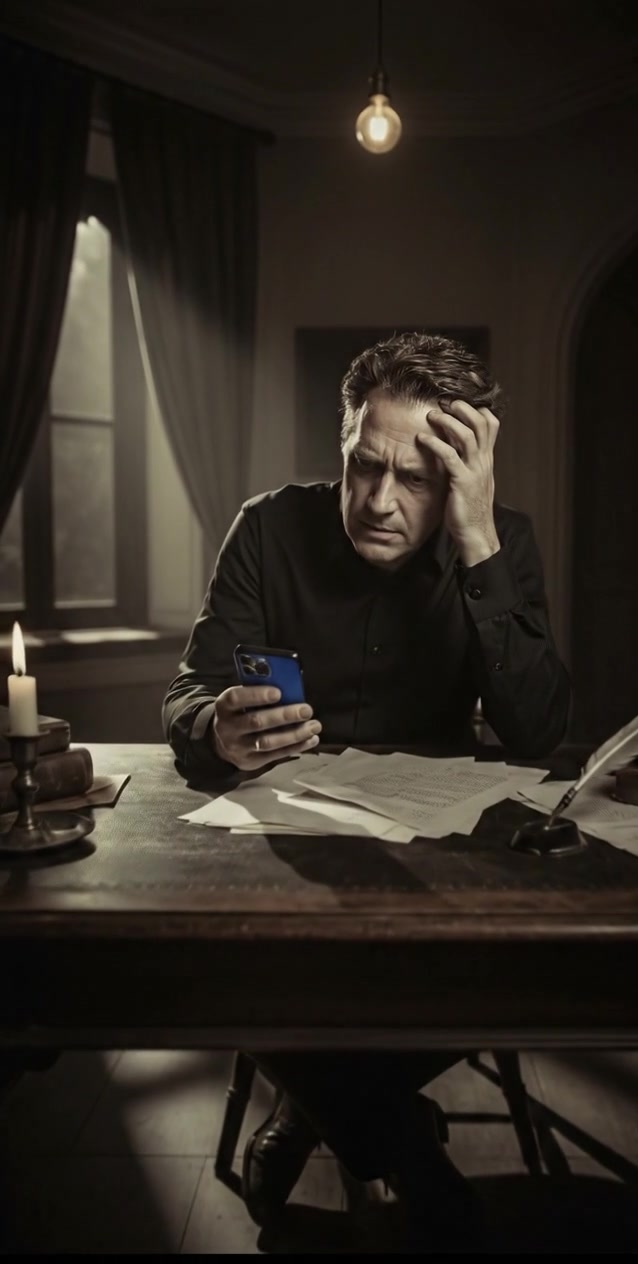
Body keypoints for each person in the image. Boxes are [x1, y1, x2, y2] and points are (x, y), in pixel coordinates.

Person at [163, 331, 571, 1248]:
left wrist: (475, 543)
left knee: (509, 968)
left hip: (435, 864)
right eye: (363, 466)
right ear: (343, 445)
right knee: (215, 959)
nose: (379, 501)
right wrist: (214, 724)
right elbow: (187, 695)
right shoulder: (267, 527)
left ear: (460, 479)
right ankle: (405, 1147)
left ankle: (312, 1113)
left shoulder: (502, 547)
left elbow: (540, 734)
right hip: (279, 855)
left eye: (416, 480)